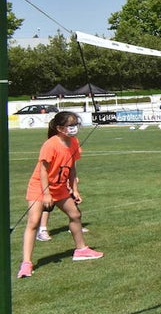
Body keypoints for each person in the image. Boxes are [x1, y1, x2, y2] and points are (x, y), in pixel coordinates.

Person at [19, 111, 104, 278]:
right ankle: (26, 263)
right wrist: (46, 194)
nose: (74, 128)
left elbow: (72, 168)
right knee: (34, 222)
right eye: (70, 125)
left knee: (75, 214)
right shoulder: (50, 144)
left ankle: (81, 250)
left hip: (60, 188)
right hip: (40, 188)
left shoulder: (74, 143)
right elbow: (43, 171)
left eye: (75, 125)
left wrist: (75, 189)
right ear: (59, 128)